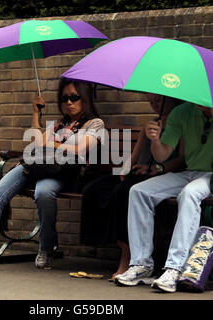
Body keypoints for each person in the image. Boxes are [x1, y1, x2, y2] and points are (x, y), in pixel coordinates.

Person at [0, 79, 104, 270]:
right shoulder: (58, 123)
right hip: (34, 167)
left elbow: (79, 149)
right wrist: (36, 113)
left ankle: (46, 249)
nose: (69, 102)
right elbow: (35, 142)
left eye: (74, 97)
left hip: (61, 172)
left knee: (43, 194)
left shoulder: (95, 123)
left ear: (85, 98)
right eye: (65, 98)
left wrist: (50, 144)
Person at [114, 101, 213, 292]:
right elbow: (162, 156)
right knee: (139, 191)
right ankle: (141, 264)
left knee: (190, 192)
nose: (200, 101)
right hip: (192, 174)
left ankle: (175, 268)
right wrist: (154, 140)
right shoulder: (182, 112)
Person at [80, 93, 185, 280]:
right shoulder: (151, 124)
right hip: (138, 173)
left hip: (161, 176)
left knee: (124, 193)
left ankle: (126, 255)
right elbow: (135, 155)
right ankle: (100, 243)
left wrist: (156, 167)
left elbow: (182, 160)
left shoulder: (182, 124)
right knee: (94, 189)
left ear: (172, 99)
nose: (154, 105)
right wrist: (124, 170)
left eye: (158, 101)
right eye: (150, 102)